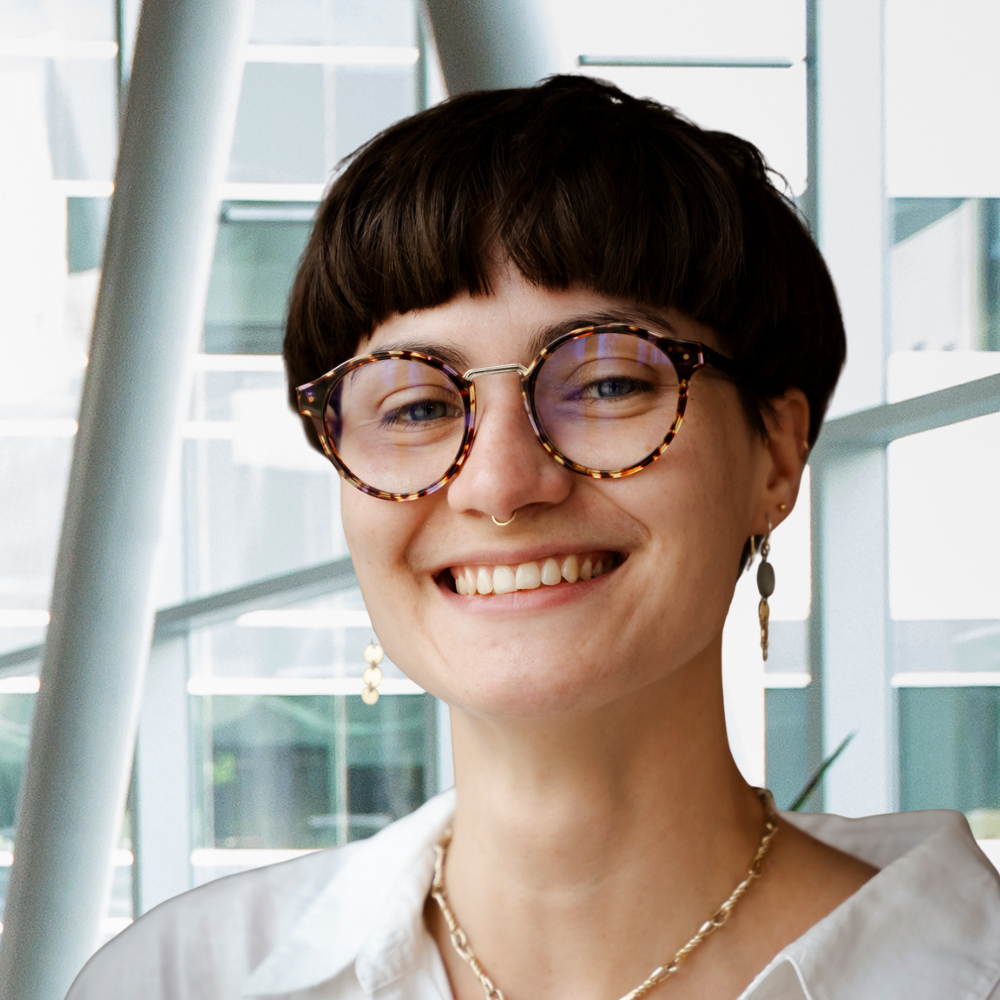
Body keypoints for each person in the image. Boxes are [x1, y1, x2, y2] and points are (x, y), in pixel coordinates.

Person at [69, 75, 1000, 1000]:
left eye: (606, 385)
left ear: (776, 455)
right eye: (419, 404)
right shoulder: (171, 981)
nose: (501, 484)